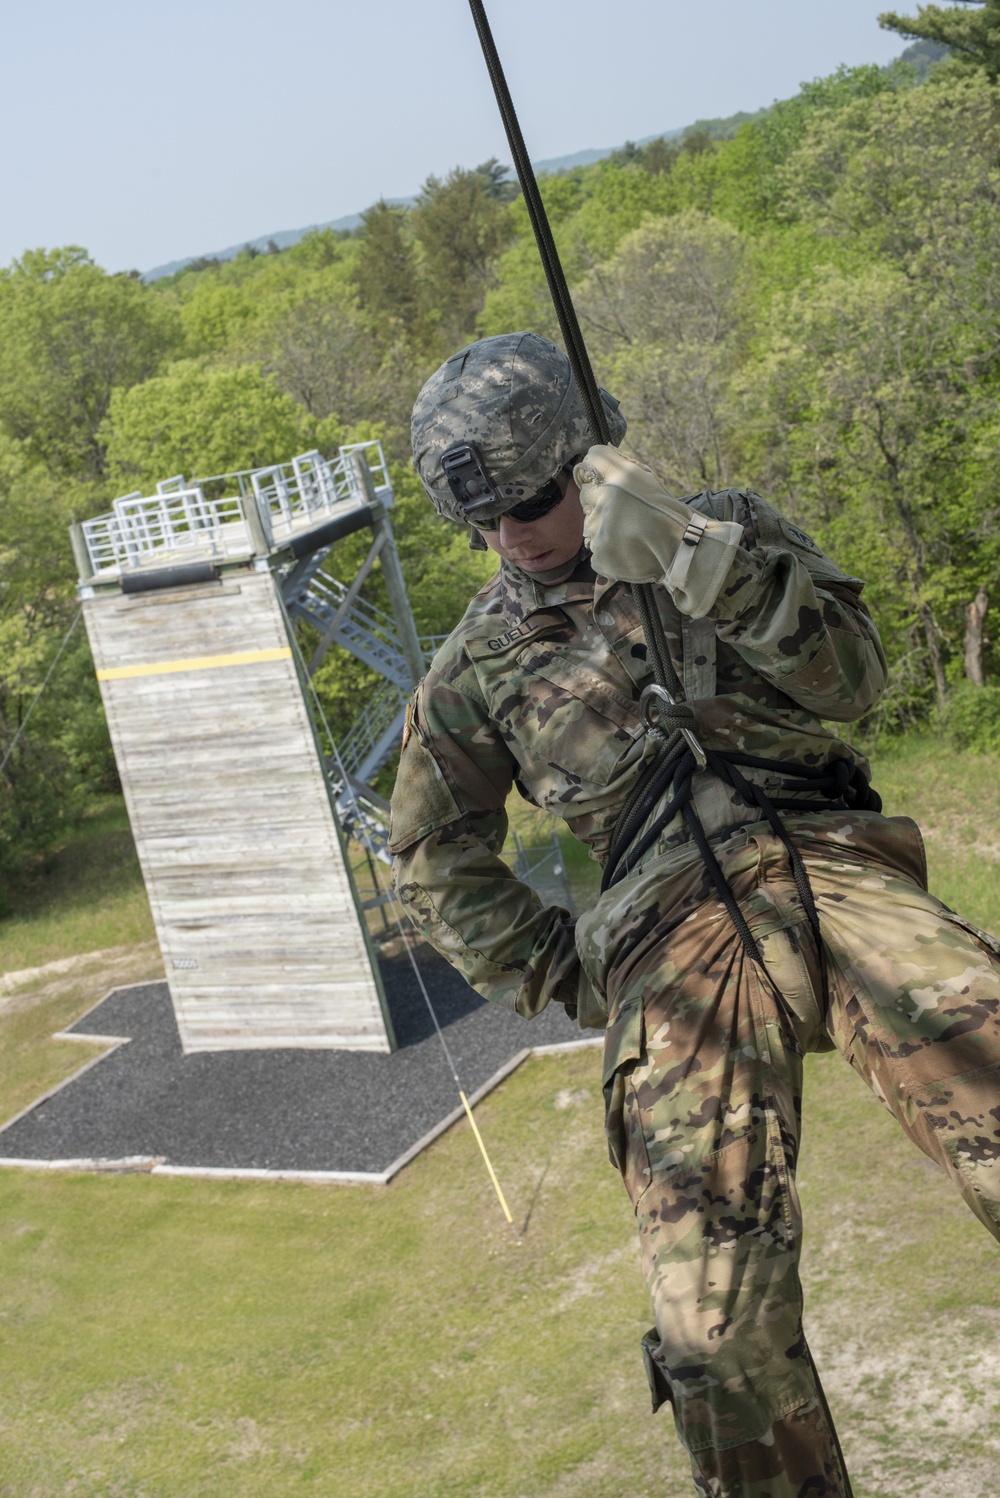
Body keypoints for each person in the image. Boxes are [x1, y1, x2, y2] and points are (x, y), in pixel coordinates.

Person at [388, 331, 1000, 1498]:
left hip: (829, 860)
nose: (514, 534)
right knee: (713, 1330)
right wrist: (572, 976)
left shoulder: (716, 528)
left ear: (588, 456)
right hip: (668, 940)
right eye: (486, 520)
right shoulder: (477, 666)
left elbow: (856, 682)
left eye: (532, 497)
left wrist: (697, 562)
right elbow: (429, 845)